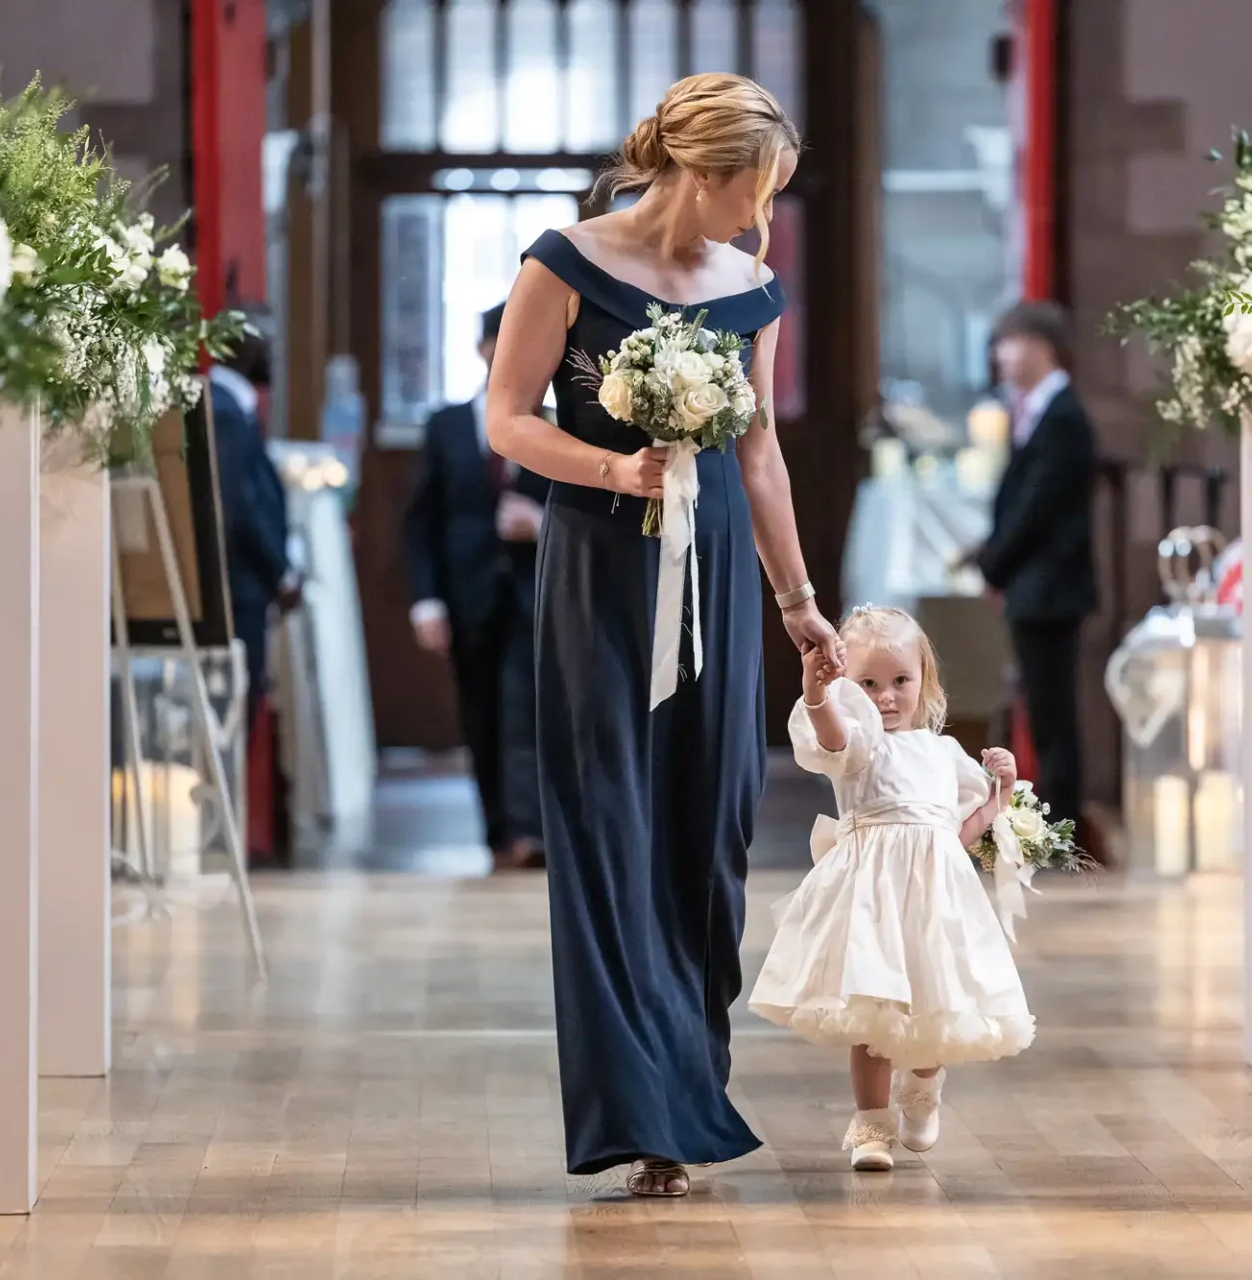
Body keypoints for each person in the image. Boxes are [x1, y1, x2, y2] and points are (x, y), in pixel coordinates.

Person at [486, 73, 842, 1197]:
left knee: (711, 819)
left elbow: (762, 454)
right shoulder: (562, 260)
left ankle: (691, 1079)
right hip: (600, 564)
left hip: (721, 577)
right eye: (759, 188)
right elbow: (504, 417)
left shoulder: (753, 285)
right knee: (608, 822)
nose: (765, 213)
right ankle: (639, 1108)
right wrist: (615, 467)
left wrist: (798, 604)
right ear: (704, 171)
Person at [748, 606, 1034, 1172]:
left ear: (923, 679)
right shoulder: (860, 745)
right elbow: (829, 736)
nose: (886, 696)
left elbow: (961, 832)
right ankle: (871, 1124)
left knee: (933, 1007)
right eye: (869, 684)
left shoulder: (943, 753)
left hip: (934, 900)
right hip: (871, 899)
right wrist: (816, 692)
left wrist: (1000, 791)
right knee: (872, 1015)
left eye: (900, 681)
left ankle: (922, 1091)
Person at [403, 304, 550, 867]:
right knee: (481, 713)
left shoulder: (552, 422)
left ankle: (528, 832)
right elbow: (420, 522)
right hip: (468, 596)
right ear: (484, 349)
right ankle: (496, 829)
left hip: (533, 593)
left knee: (527, 707)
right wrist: (427, 602)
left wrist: (540, 525)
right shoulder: (445, 426)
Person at [973, 300, 1097, 839]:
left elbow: (1037, 507)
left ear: (1038, 345)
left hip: (1050, 587)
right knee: (1043, 705)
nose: (1000, 355)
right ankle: (1056, 814)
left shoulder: (1063, 415)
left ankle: (1062, 821)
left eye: (1008, 341)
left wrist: (993, 563)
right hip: (1036, 585)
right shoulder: (1040, 411)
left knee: (1052, 709)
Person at [207, 310, 298, 725]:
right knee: (232, 718)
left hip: (246, 591)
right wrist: (280, 571)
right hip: (235, 594)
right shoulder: (224, 410)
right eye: (267, 342)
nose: (274, 355)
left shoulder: (237, 406)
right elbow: (237, 505)